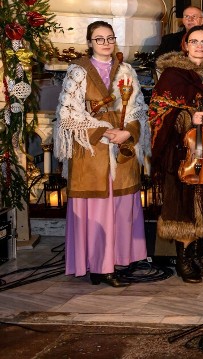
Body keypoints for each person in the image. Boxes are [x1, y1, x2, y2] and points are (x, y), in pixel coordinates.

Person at [55, 21, 149, 287]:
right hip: (91, 150)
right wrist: (103, 130)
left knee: (119, 208)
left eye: (110, 38)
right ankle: (99, 266)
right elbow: (67, 113)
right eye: (99, 39)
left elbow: (138, 108)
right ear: (90, 43)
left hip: (121, 150)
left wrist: (128, 132)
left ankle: (117, 261)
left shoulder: (126, 69)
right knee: (97, 209)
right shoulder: (78, 72)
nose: (106, 43)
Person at [150, 26, 203, 282]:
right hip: (181, 151)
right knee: (183, 205)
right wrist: (186, 117)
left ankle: (195, 256)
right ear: (185, 45)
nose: (199, 46)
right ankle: (182, 260)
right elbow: (157, 112)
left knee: (202, 204)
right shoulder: (172, 75)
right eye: (194, 42)